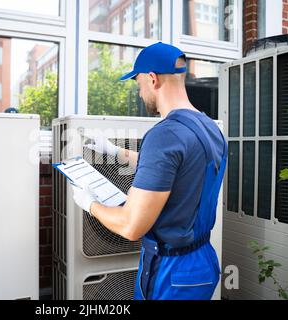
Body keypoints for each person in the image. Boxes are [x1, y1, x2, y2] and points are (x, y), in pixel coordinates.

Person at [72, 42, 227, 300]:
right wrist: (115, 151)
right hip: (202, 263)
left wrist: (90, 204)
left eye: (139, 84)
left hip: (171, 273)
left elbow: (131, 226)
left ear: (152, 79)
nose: (139, 93)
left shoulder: (164, 134)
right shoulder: (209, 127)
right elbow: (177, 167)